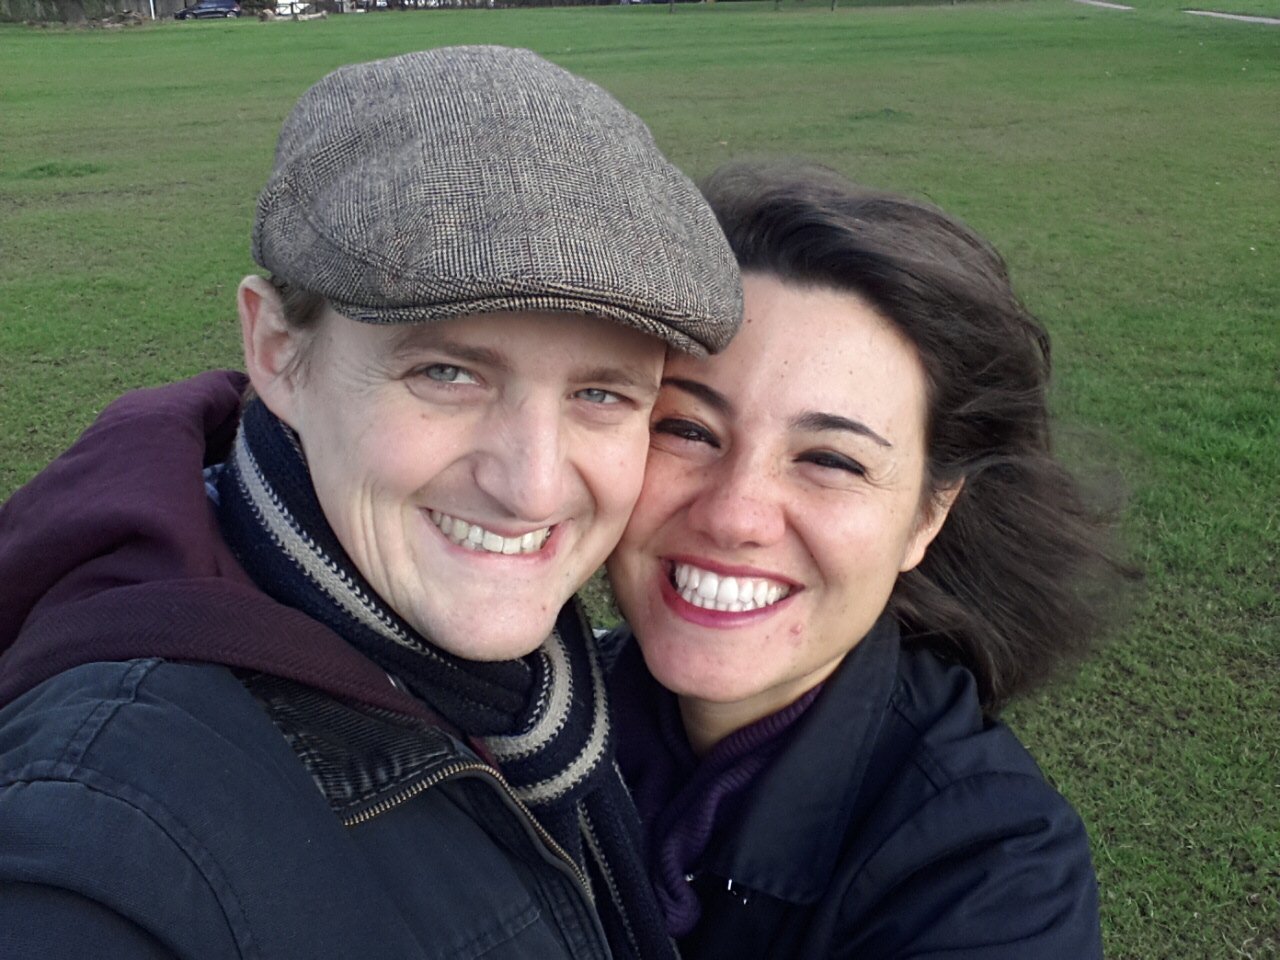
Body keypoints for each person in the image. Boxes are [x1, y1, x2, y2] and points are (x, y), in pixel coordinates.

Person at [0, 47, 740, 959]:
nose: (535, 485)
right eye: (446, 373)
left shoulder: (521, 689)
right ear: (276, 351)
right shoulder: (109, 831)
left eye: (603, 394)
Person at [605, 161, 1127, 959]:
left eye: (833, 461)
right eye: (687, 430)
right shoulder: (535, 710)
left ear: (929, 515)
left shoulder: (993, 878)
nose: (734, 515)